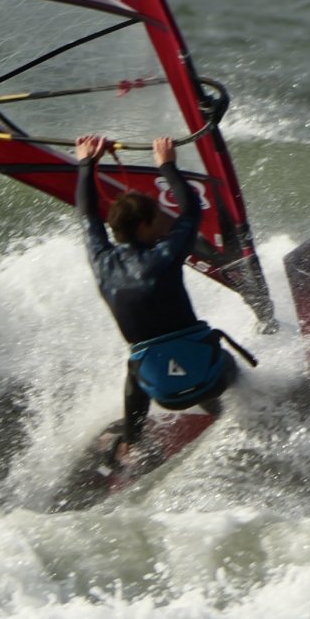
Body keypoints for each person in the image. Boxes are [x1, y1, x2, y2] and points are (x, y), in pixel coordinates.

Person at [74, 132, 251, 456]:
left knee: (136, 365)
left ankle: (131, 439)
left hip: (163, 394)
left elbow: (87, 217)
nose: (163, 223)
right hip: (212, 377)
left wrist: (87, 164)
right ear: (143, 226)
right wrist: (167, 166)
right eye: (157, 218)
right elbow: (191, 211)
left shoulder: (101, 263)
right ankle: (248, 408)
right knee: (216, 358)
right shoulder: (164, 256)